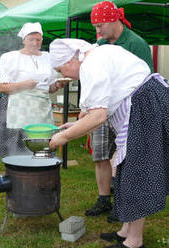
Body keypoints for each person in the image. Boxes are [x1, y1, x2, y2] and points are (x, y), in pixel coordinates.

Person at [49, 38, 168, 248]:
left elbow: (98, 117)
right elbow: (95, 112)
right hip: (142, 106)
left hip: (145, 109)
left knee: (136, 175)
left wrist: (64, 138)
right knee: (122, 171)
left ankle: (134, 242)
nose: (63, 75)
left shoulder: (91, 65)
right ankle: (125, 231)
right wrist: (74, 127)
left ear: (70, 62)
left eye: (61, 69)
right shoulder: (97, 55)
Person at [79, 1, 155, 220]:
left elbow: (145, 81)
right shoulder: (100, 44)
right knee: (101, 155)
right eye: (95, 26)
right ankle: (104, 198)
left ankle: (122, 204)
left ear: (115, 20)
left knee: (125, 158)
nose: (97, 31)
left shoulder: (136, 43)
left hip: (128, 112)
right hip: (102, 109)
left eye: (100, 25)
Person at [0, 22, 60, 158]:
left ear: (42, 40)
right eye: (31, 39)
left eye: (38, 40)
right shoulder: (11, 58)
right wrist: (24, 85)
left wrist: (57, 86)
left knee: (41, 143)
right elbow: (2, 87)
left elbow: (49, 88)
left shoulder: (48, 58)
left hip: (41, 108)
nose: (35, 43)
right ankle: (18, 173)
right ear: (24, 40)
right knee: (17, 150)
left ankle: (40, 171)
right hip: (18, 108)